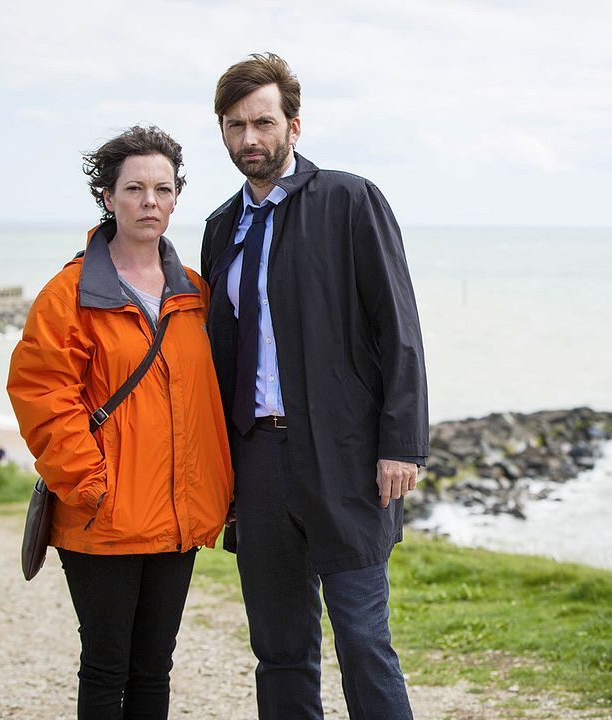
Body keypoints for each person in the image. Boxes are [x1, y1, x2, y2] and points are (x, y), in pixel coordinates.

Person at [200, 53, 428, 720]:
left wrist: (402, 445)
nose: (249, 139)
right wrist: (220, 470)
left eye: (263, 122)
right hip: (258, 461)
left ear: (294, 127)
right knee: (280, 648)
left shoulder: (350, 200)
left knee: (363, 640)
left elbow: (400, 330)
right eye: (235, 125)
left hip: (347, 457)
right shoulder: (222, 228)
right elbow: (218, 356)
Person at [8, 126, 233, 719]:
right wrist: (88, 485)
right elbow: (41, 394)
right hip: (103, 512)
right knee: (108, 668)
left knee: (155, 666)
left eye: (162, 188)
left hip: (178, 513)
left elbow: (208, 399)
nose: (149, 202)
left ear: (177, 196)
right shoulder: (69, 295)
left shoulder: (195, 294)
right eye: (134, 188)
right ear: (108, 197)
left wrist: (218, 489)